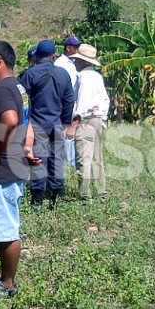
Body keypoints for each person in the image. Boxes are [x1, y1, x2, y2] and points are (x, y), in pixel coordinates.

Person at [0, 40, 39, 298]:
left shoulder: (0, 90)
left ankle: (8, 284)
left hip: (0, 171)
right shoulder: (20, 87)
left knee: (6, 231)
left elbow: (11, 120)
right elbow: (27, 120)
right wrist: (27, 147)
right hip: (13, 167)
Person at [18, 39, 75, 212]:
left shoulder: (30, 74)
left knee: (38, 161)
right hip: (56, 124)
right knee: (57, 160)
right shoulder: (63, 74)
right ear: (54, 54)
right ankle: (55, 200)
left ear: (37, 55)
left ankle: (37, 203)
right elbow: (69, 101)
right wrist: (65, 122)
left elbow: (22, 100)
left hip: (36, 125)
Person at [67, 44, 110, 203]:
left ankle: (84, 196)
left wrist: (73, 125)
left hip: (85, 121)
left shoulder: (83, 78)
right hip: (98, 120)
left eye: (78, 60)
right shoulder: (98, 77)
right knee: (97, 159)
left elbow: (82, 103)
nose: (76, 63)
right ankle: (101, 193)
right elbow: (106, 100)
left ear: (83, 62)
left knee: (83, 160)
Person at [54, 36, 81, 167]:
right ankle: (67, 164)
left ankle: (70, 162)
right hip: (64, 104)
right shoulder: (60, 64)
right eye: (75, 47)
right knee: (66, 135)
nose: (77, 49)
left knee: (72, 135)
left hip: (74, 103)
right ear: (68, 48)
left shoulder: (75, 63)